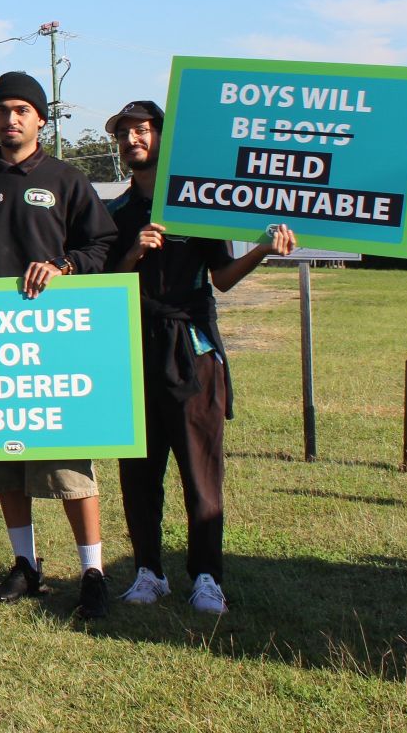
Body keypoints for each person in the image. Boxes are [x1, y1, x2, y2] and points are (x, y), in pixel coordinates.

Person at [104, 99, 295, 615]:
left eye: (142, 130)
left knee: (200, 471)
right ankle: (149, 572)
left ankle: (207, 577)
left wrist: (262, 249)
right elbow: (100, 285)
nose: (132, 140)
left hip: (192, 350)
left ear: (163, 137)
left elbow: (223, 278)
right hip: (134, 346)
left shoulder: (197, 206)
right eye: (124, 134)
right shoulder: (113, 214)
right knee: (139, 472)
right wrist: (131, 254)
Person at [0, 72, 117, 619]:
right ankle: (26, 564)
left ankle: (92, 570)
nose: (11, 118)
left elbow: (102, 246)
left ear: (41, 118)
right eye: (2, 109)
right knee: (7, 458)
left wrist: (64, 267)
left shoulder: (69, 180)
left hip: (53, 348)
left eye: (22, 109)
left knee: (68, 464)